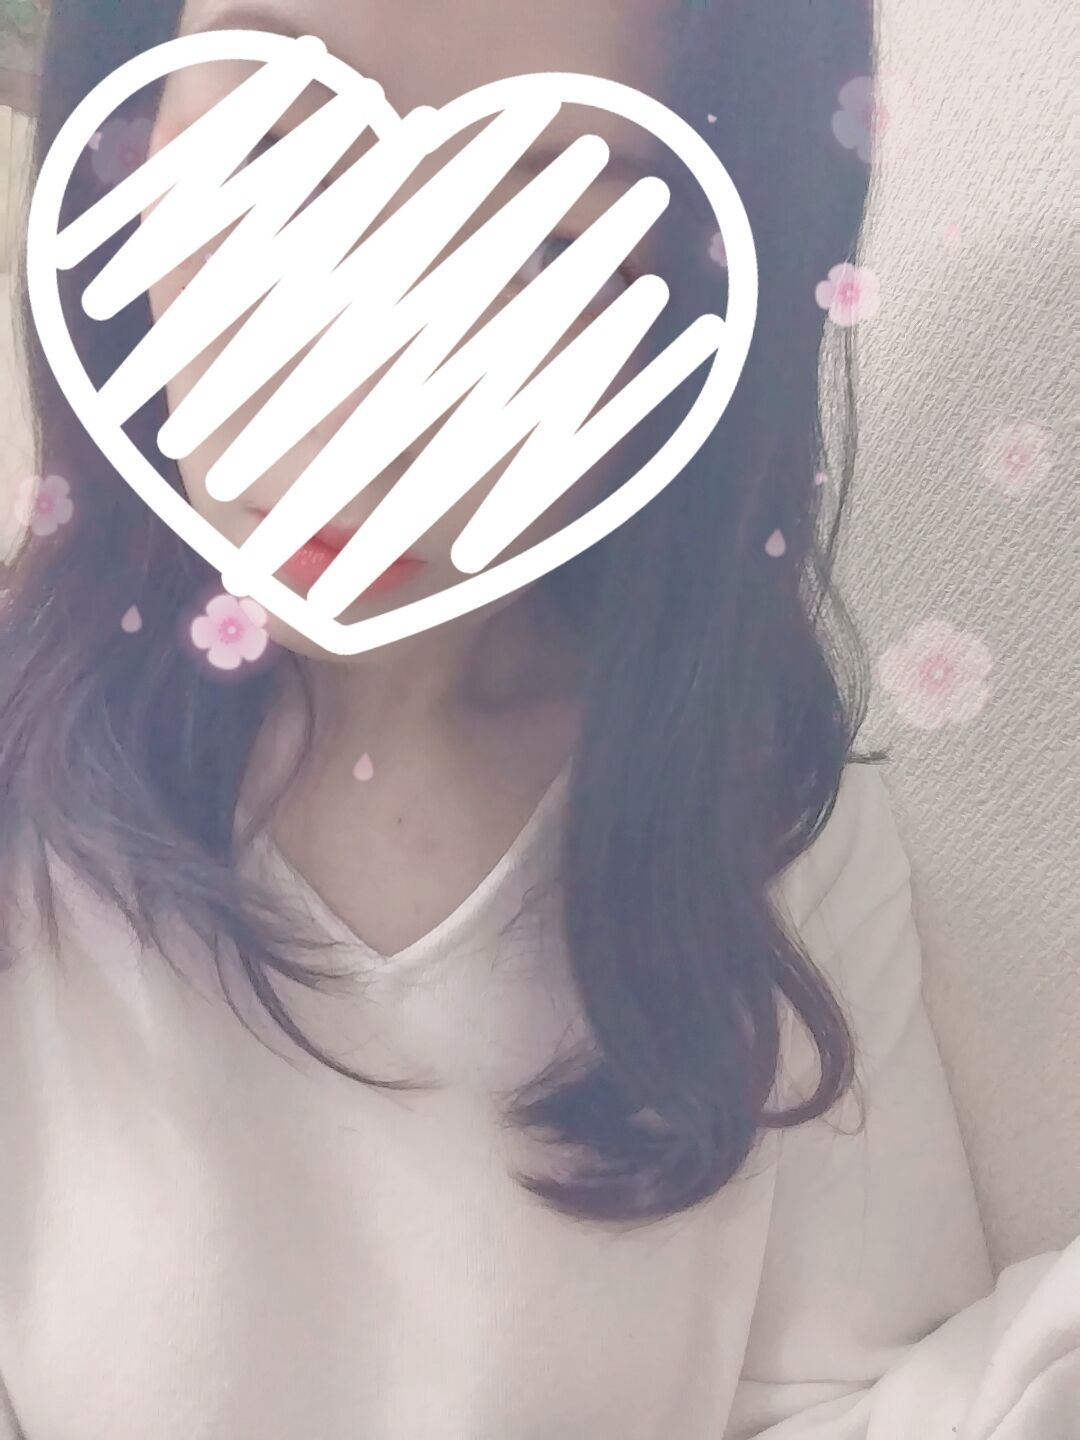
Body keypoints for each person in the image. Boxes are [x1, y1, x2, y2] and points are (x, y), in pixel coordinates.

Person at [5, 2, 1066, 1437]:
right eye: (266, 149)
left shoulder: (758, 831)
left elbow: (842, 1398)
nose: (347, 405)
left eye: (544, 249)